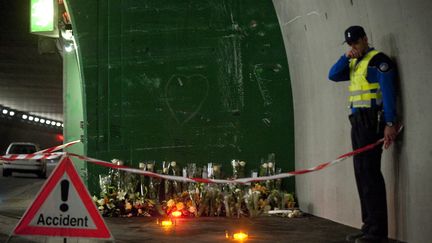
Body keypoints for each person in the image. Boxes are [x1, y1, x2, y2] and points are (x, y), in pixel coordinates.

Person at [328, 26, 398, 243]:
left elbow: (388, 93)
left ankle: (377, 231)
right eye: (349, 44)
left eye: (356, 42)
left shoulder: (379, 61)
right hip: (358, 123)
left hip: (372, 121)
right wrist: (345, 57)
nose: (353, 47)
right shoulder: (354, 61)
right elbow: (333, 75)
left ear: (365, 39)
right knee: (361, 173)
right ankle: (368, 225)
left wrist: (390, 123)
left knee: (370, 174)